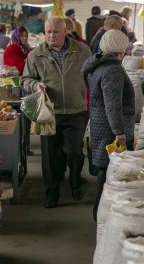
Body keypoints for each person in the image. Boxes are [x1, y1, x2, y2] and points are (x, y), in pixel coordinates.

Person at [22, 17, 92, 208]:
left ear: (66, 32)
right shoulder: (35, 55)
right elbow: (25, 79)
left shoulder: (82, 51)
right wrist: (35, 84)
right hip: (49, 111)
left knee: (74, 152)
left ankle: (76, 182)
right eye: (48, 32)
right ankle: (52, 194)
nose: (51, 36)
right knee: (50, 156)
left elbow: (91, 75)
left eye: (56, 32)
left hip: (76, 110)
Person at [82, 30, 134, 221]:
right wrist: (119, 132)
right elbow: (112, 104)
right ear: (122, 50)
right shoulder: (112, 69)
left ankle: (100, 214)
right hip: (108, 127)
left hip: (99, 122)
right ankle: (101, 216)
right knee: (108, 172)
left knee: (105, 170)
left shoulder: (98, 64)